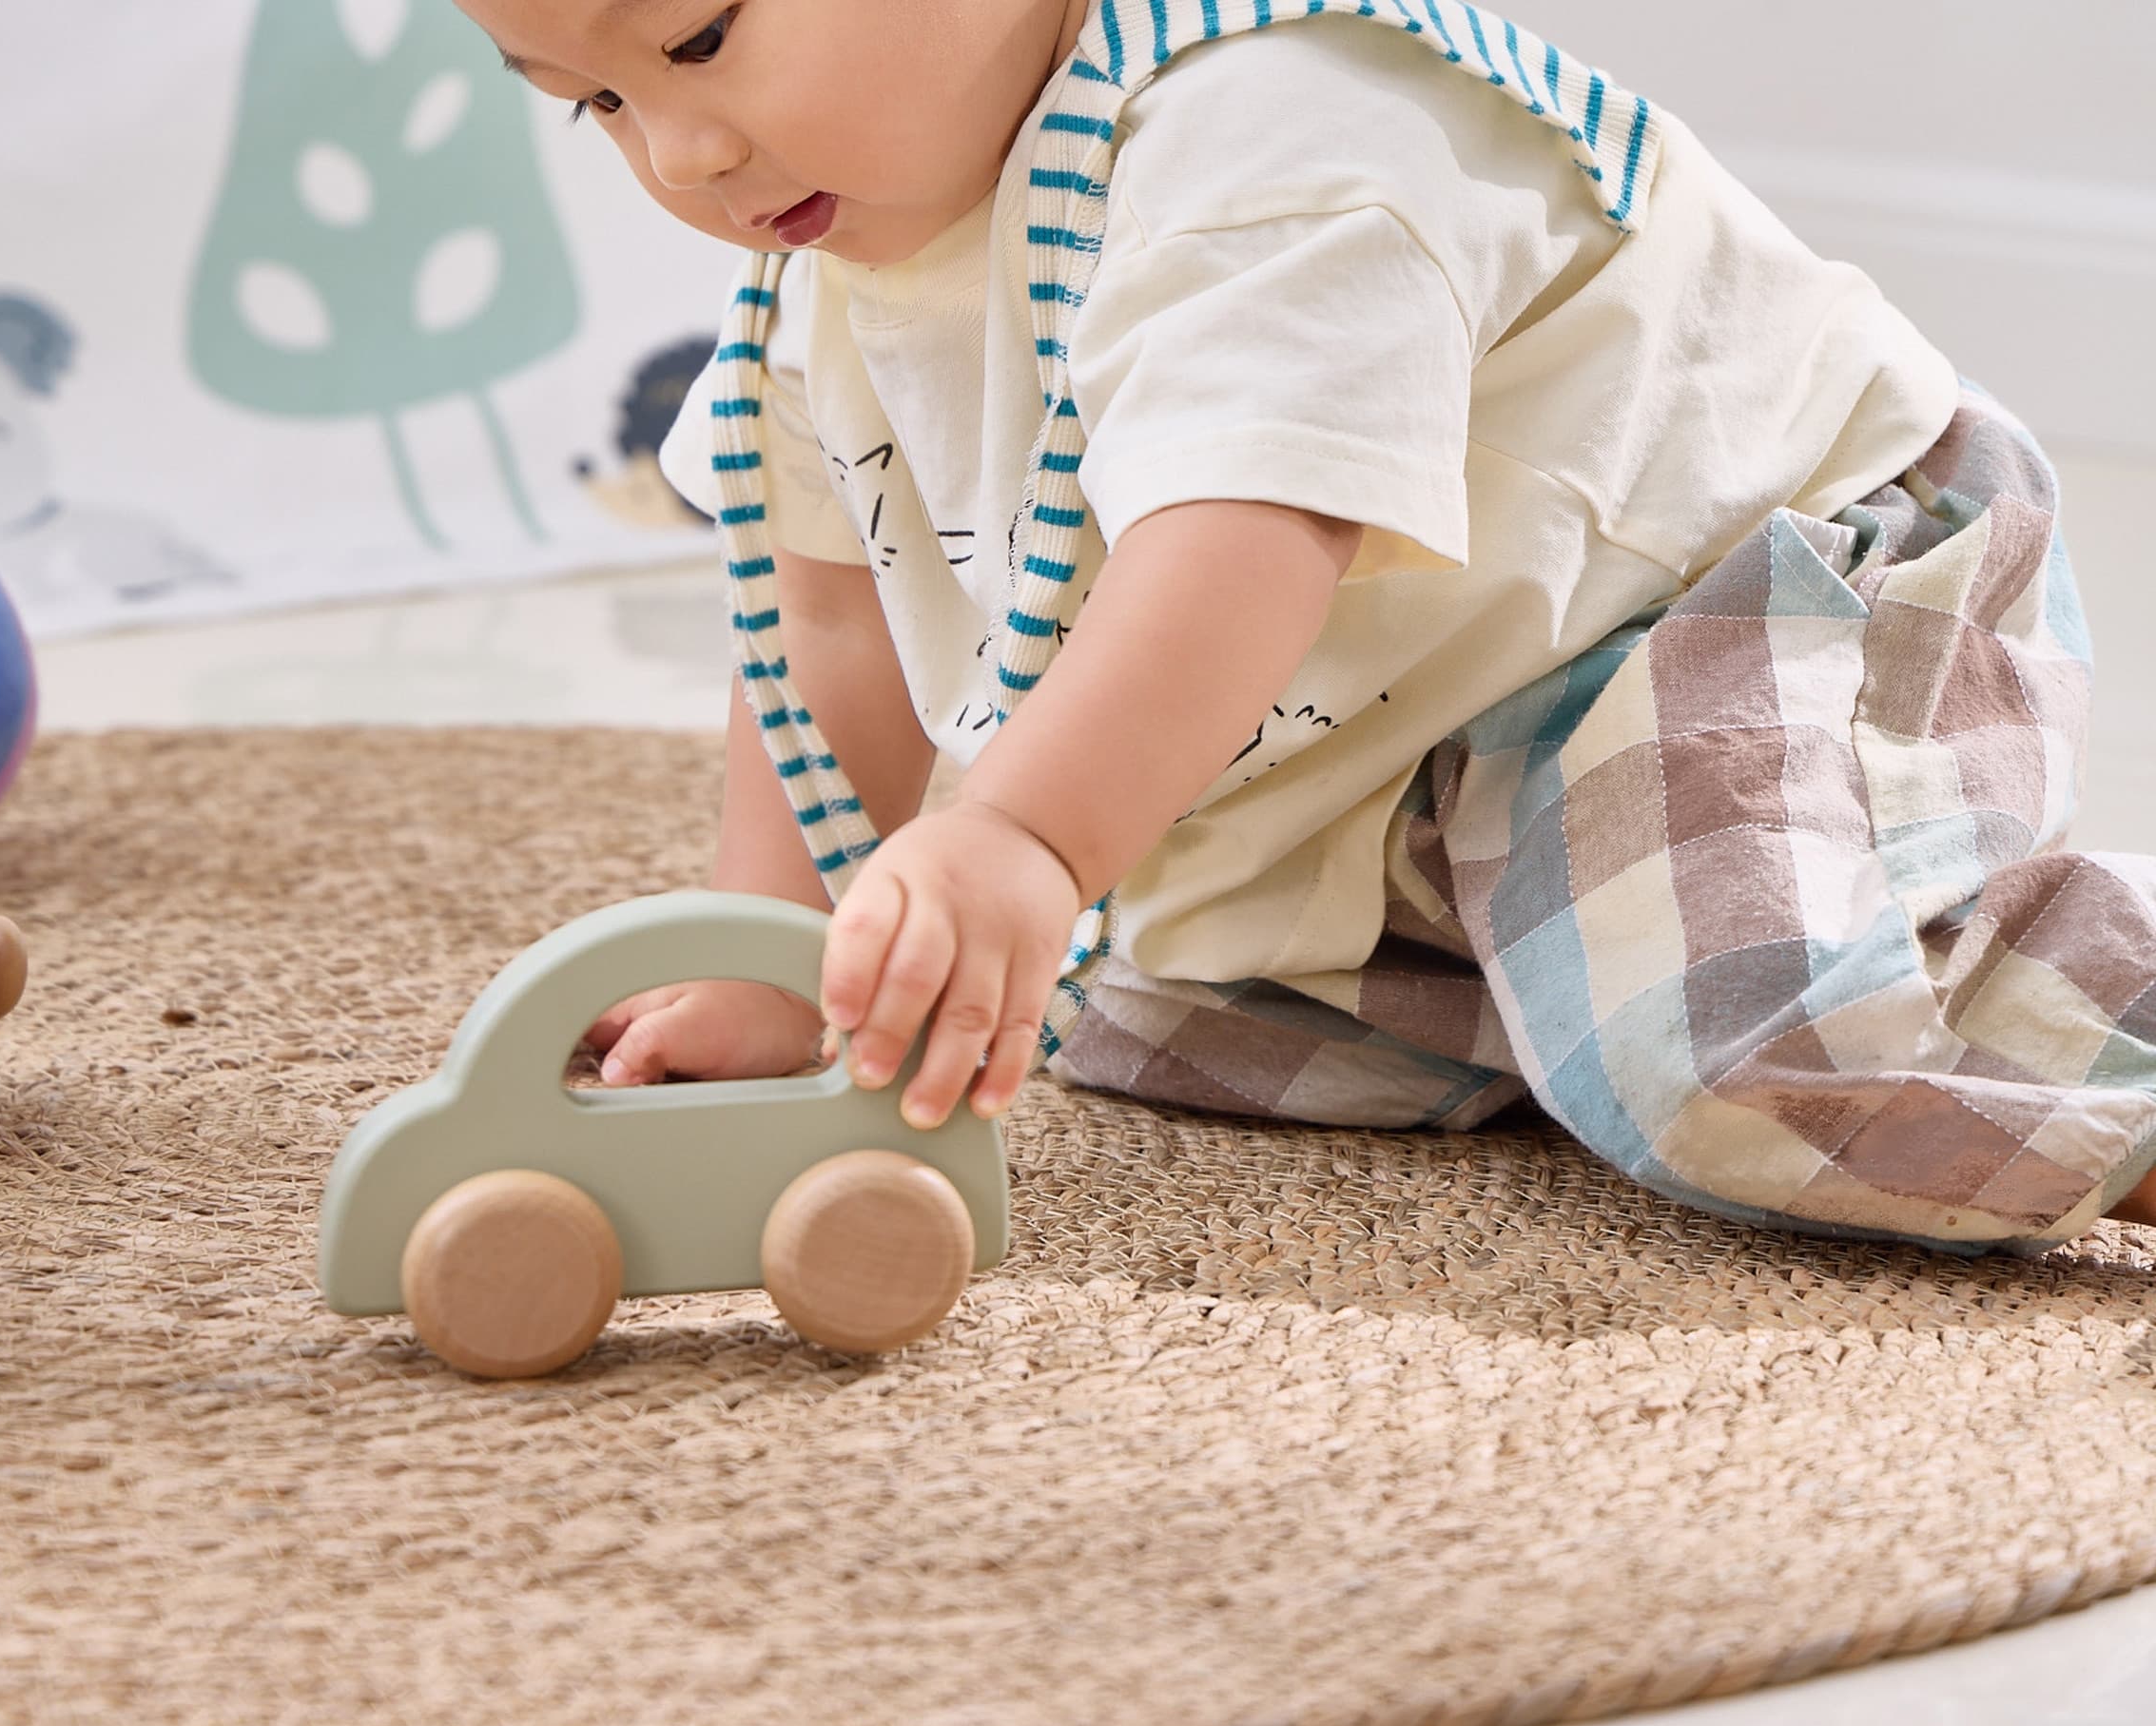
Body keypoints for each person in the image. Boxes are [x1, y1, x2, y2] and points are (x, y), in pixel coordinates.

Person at [464, 0, 2156, 1254]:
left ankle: (2051, 1037)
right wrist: (781, 962)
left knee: (1728, 1060)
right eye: (591, 100)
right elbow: (825, 617)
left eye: (702, 35)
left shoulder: (1269, 131)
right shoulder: (825, 257)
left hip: (1745, 594)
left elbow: (1247, 530)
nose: (679, 153)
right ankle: (1561, 968)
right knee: (1131, 1012)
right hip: (1429, 719)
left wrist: (1029, 835)